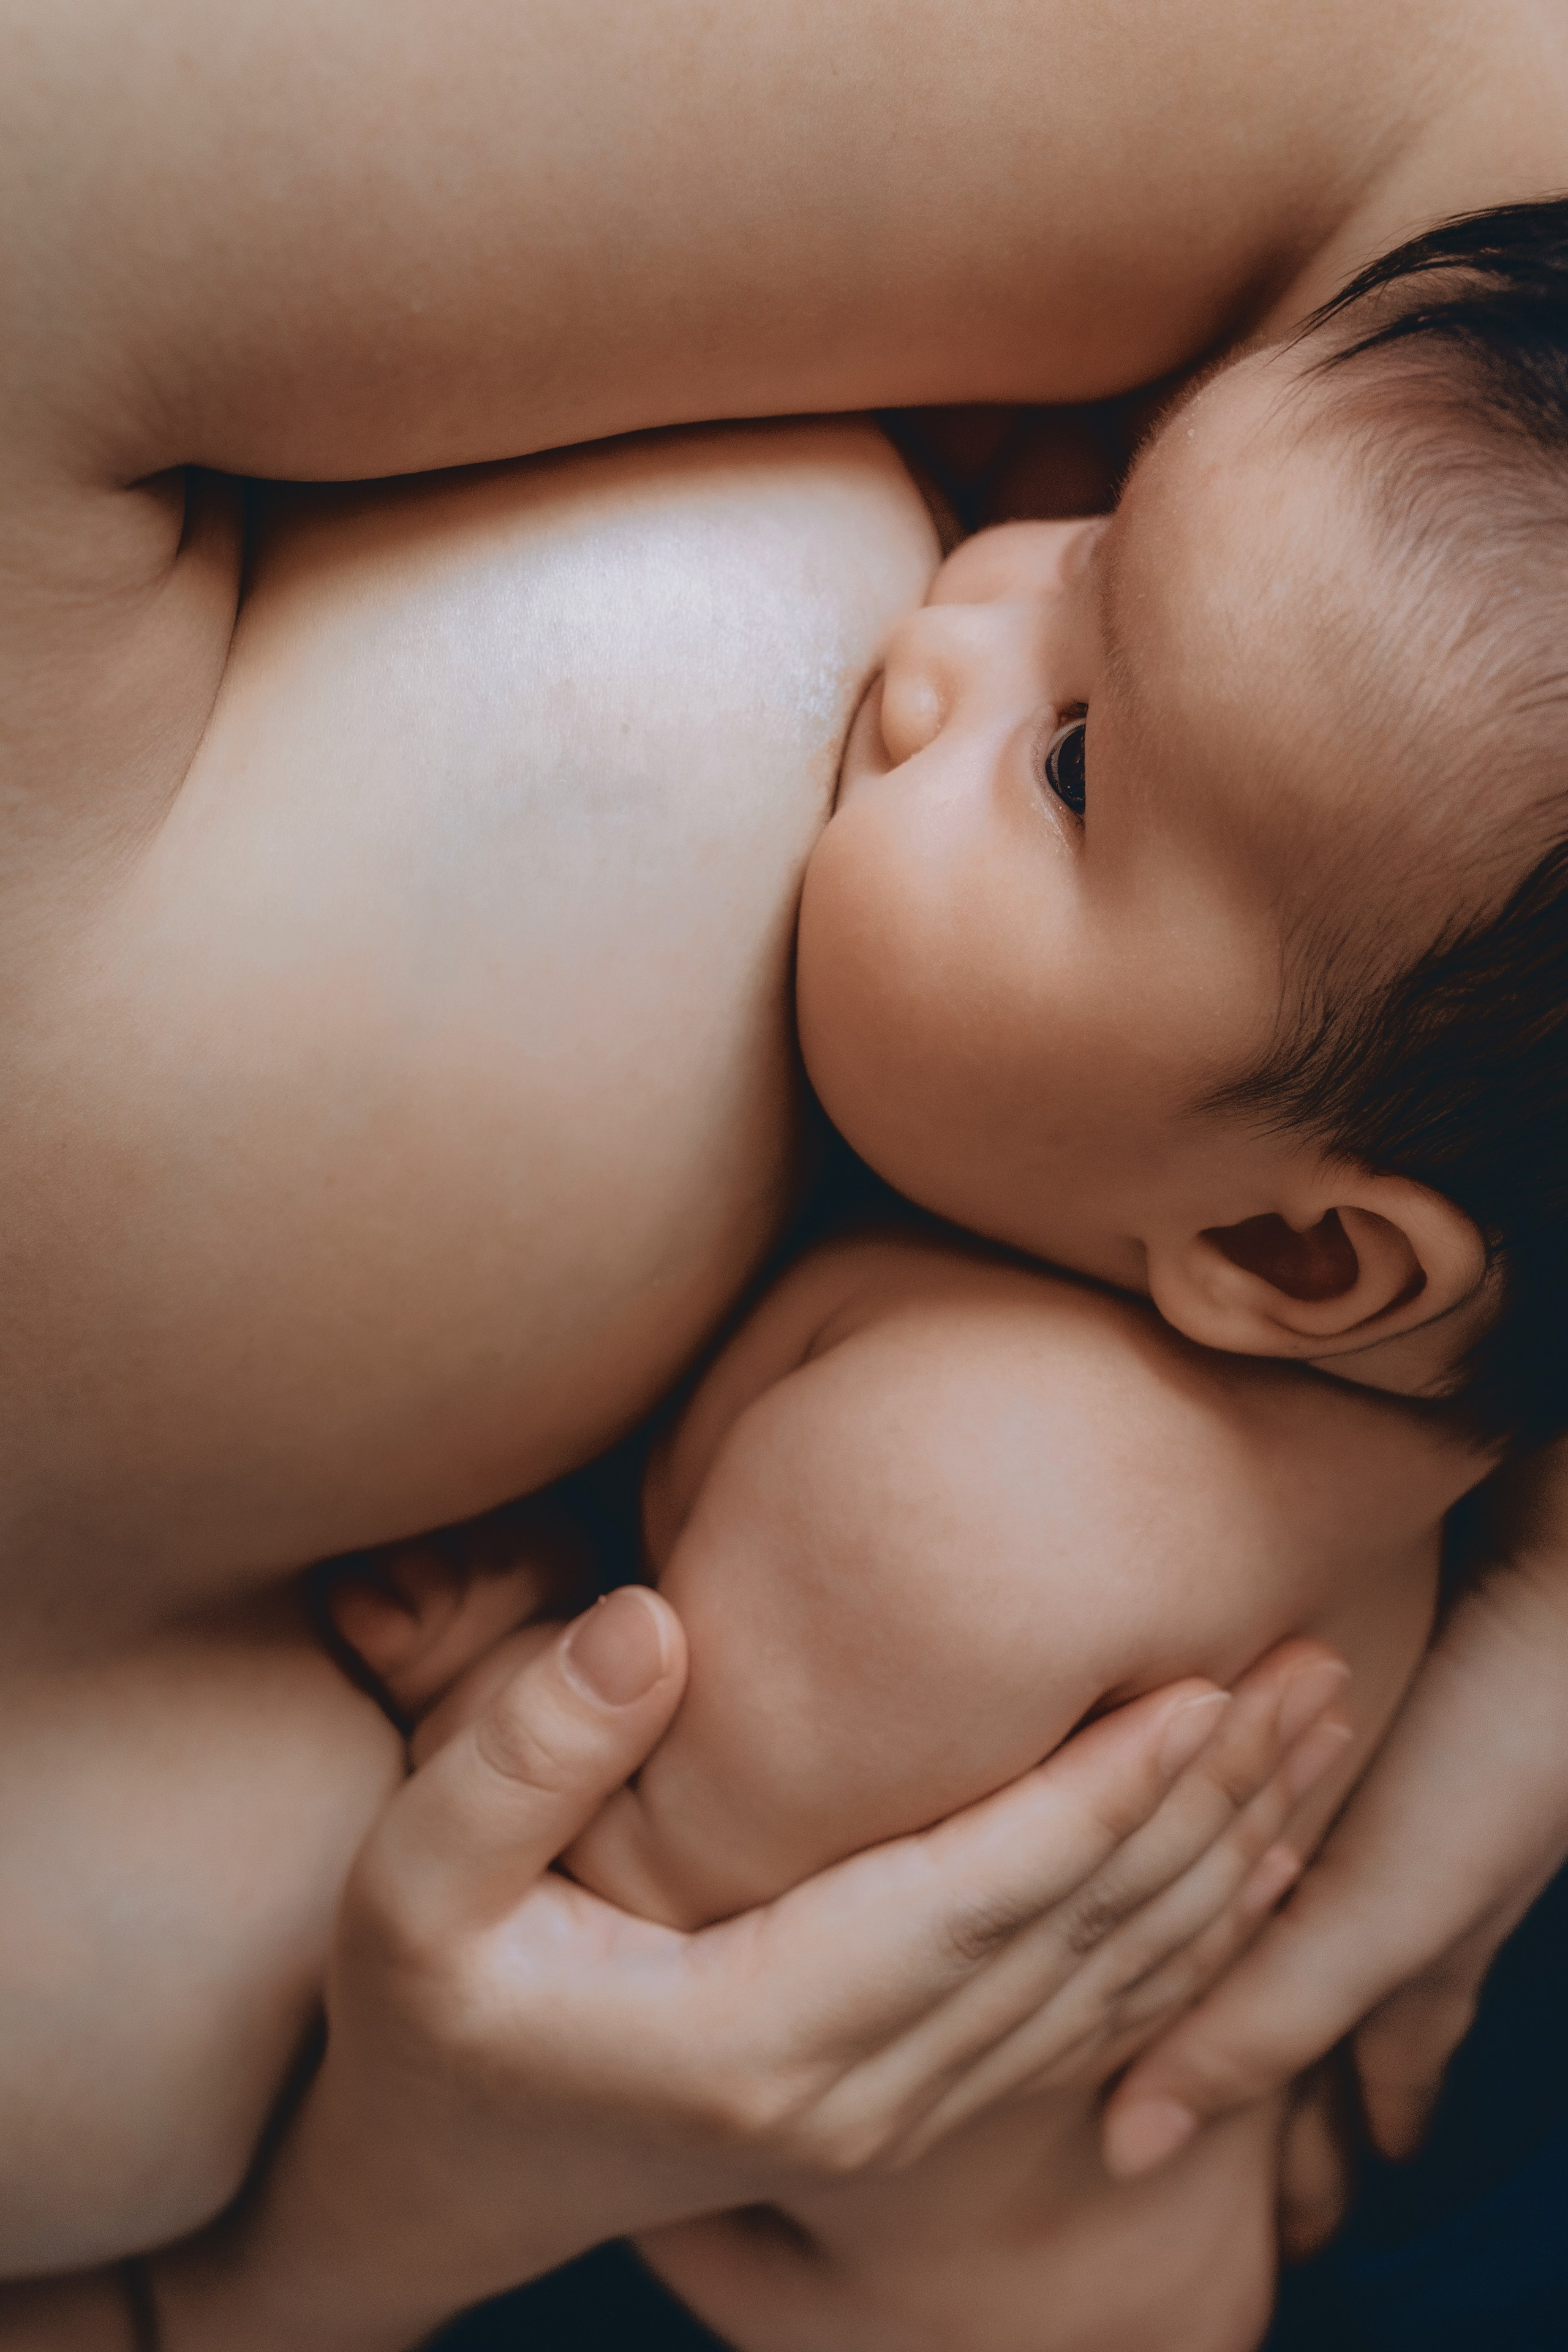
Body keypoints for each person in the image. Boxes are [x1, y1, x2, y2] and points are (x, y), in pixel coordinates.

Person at [6, 0, 1568, 2330]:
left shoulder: (986, 1495)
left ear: (1292, 1247)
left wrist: (501, 1695)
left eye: (1062, 766)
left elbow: (601, 1929)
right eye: (1102, 506)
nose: (957, 613)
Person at [331, 1222, 1488, 2351]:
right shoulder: (1379, 1425)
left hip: (947, 2310)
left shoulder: (991, 1466)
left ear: (1304, 1246)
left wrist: (483, 1674)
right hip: (1134, 2212)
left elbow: (636, 1935)